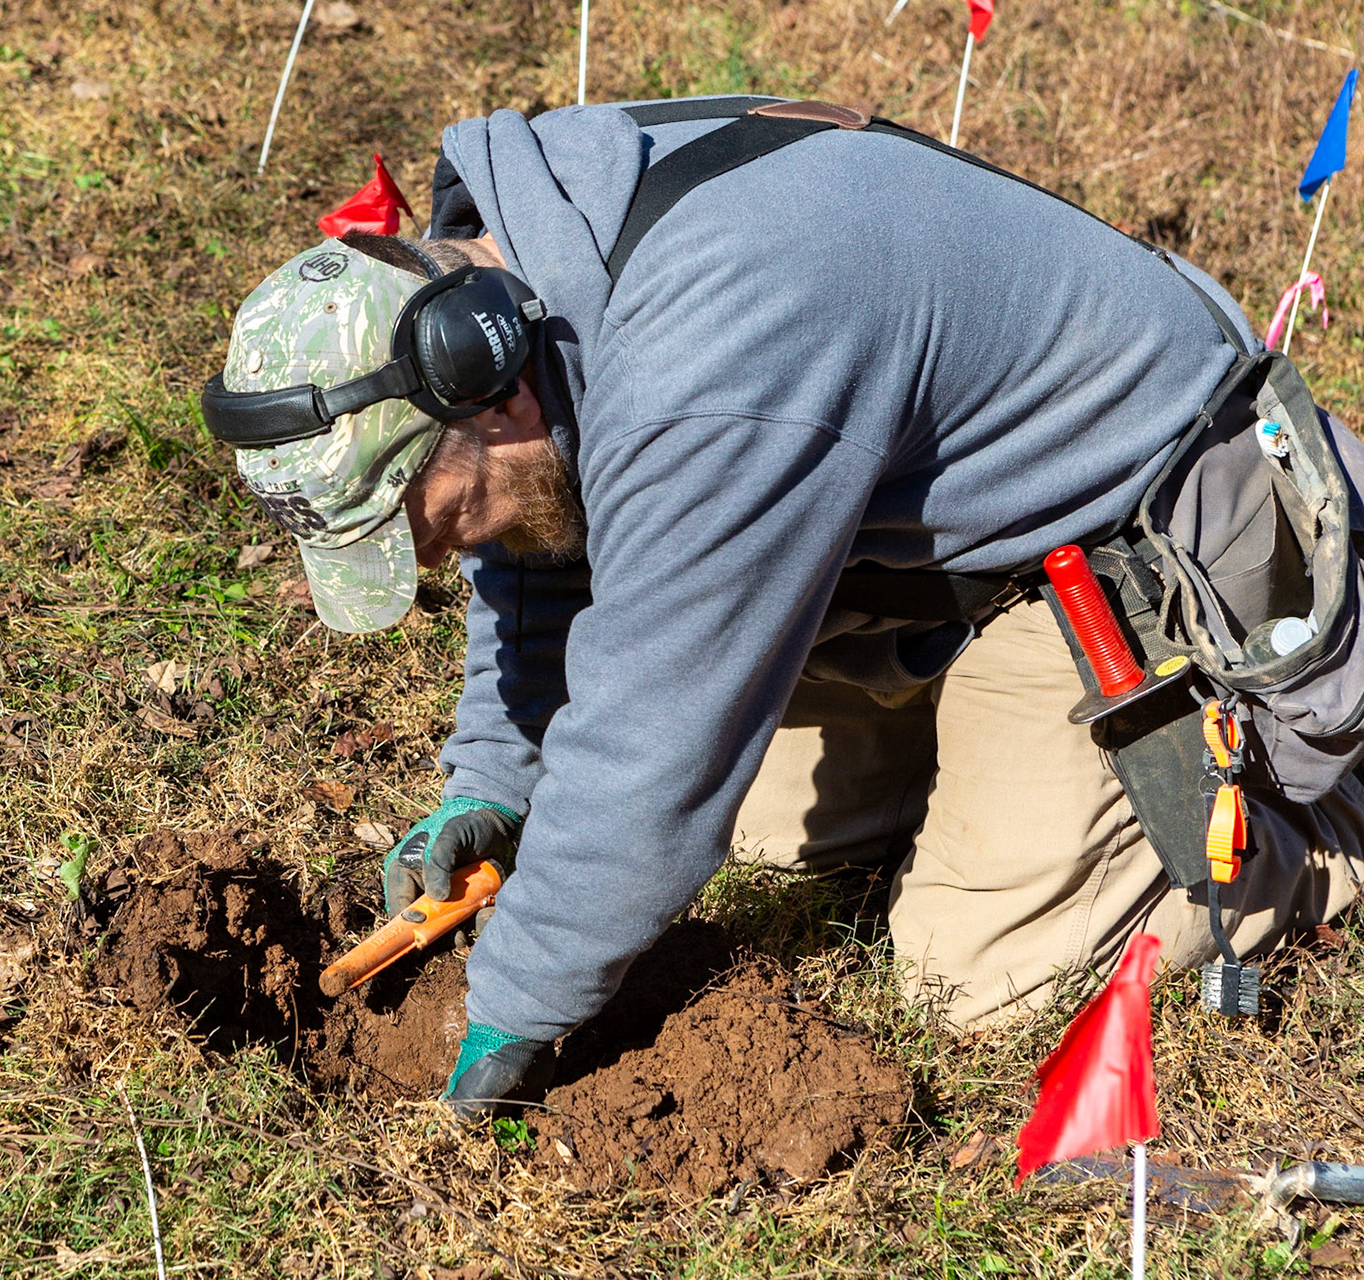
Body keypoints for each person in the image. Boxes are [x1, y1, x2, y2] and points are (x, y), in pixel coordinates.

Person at [200, 95, 1364, 1117]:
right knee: (741, 832)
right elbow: (539, 536)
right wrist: (495, 784)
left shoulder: (711, 359)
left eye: (435, 518)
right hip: (932, 540)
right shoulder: (526, 264)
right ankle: (989, 766)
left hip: (1140, 550)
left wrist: (507, 1011)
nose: (448, 555)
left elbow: (654, 747)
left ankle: (1311, 835)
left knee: (973, 978)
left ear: (482, 382)